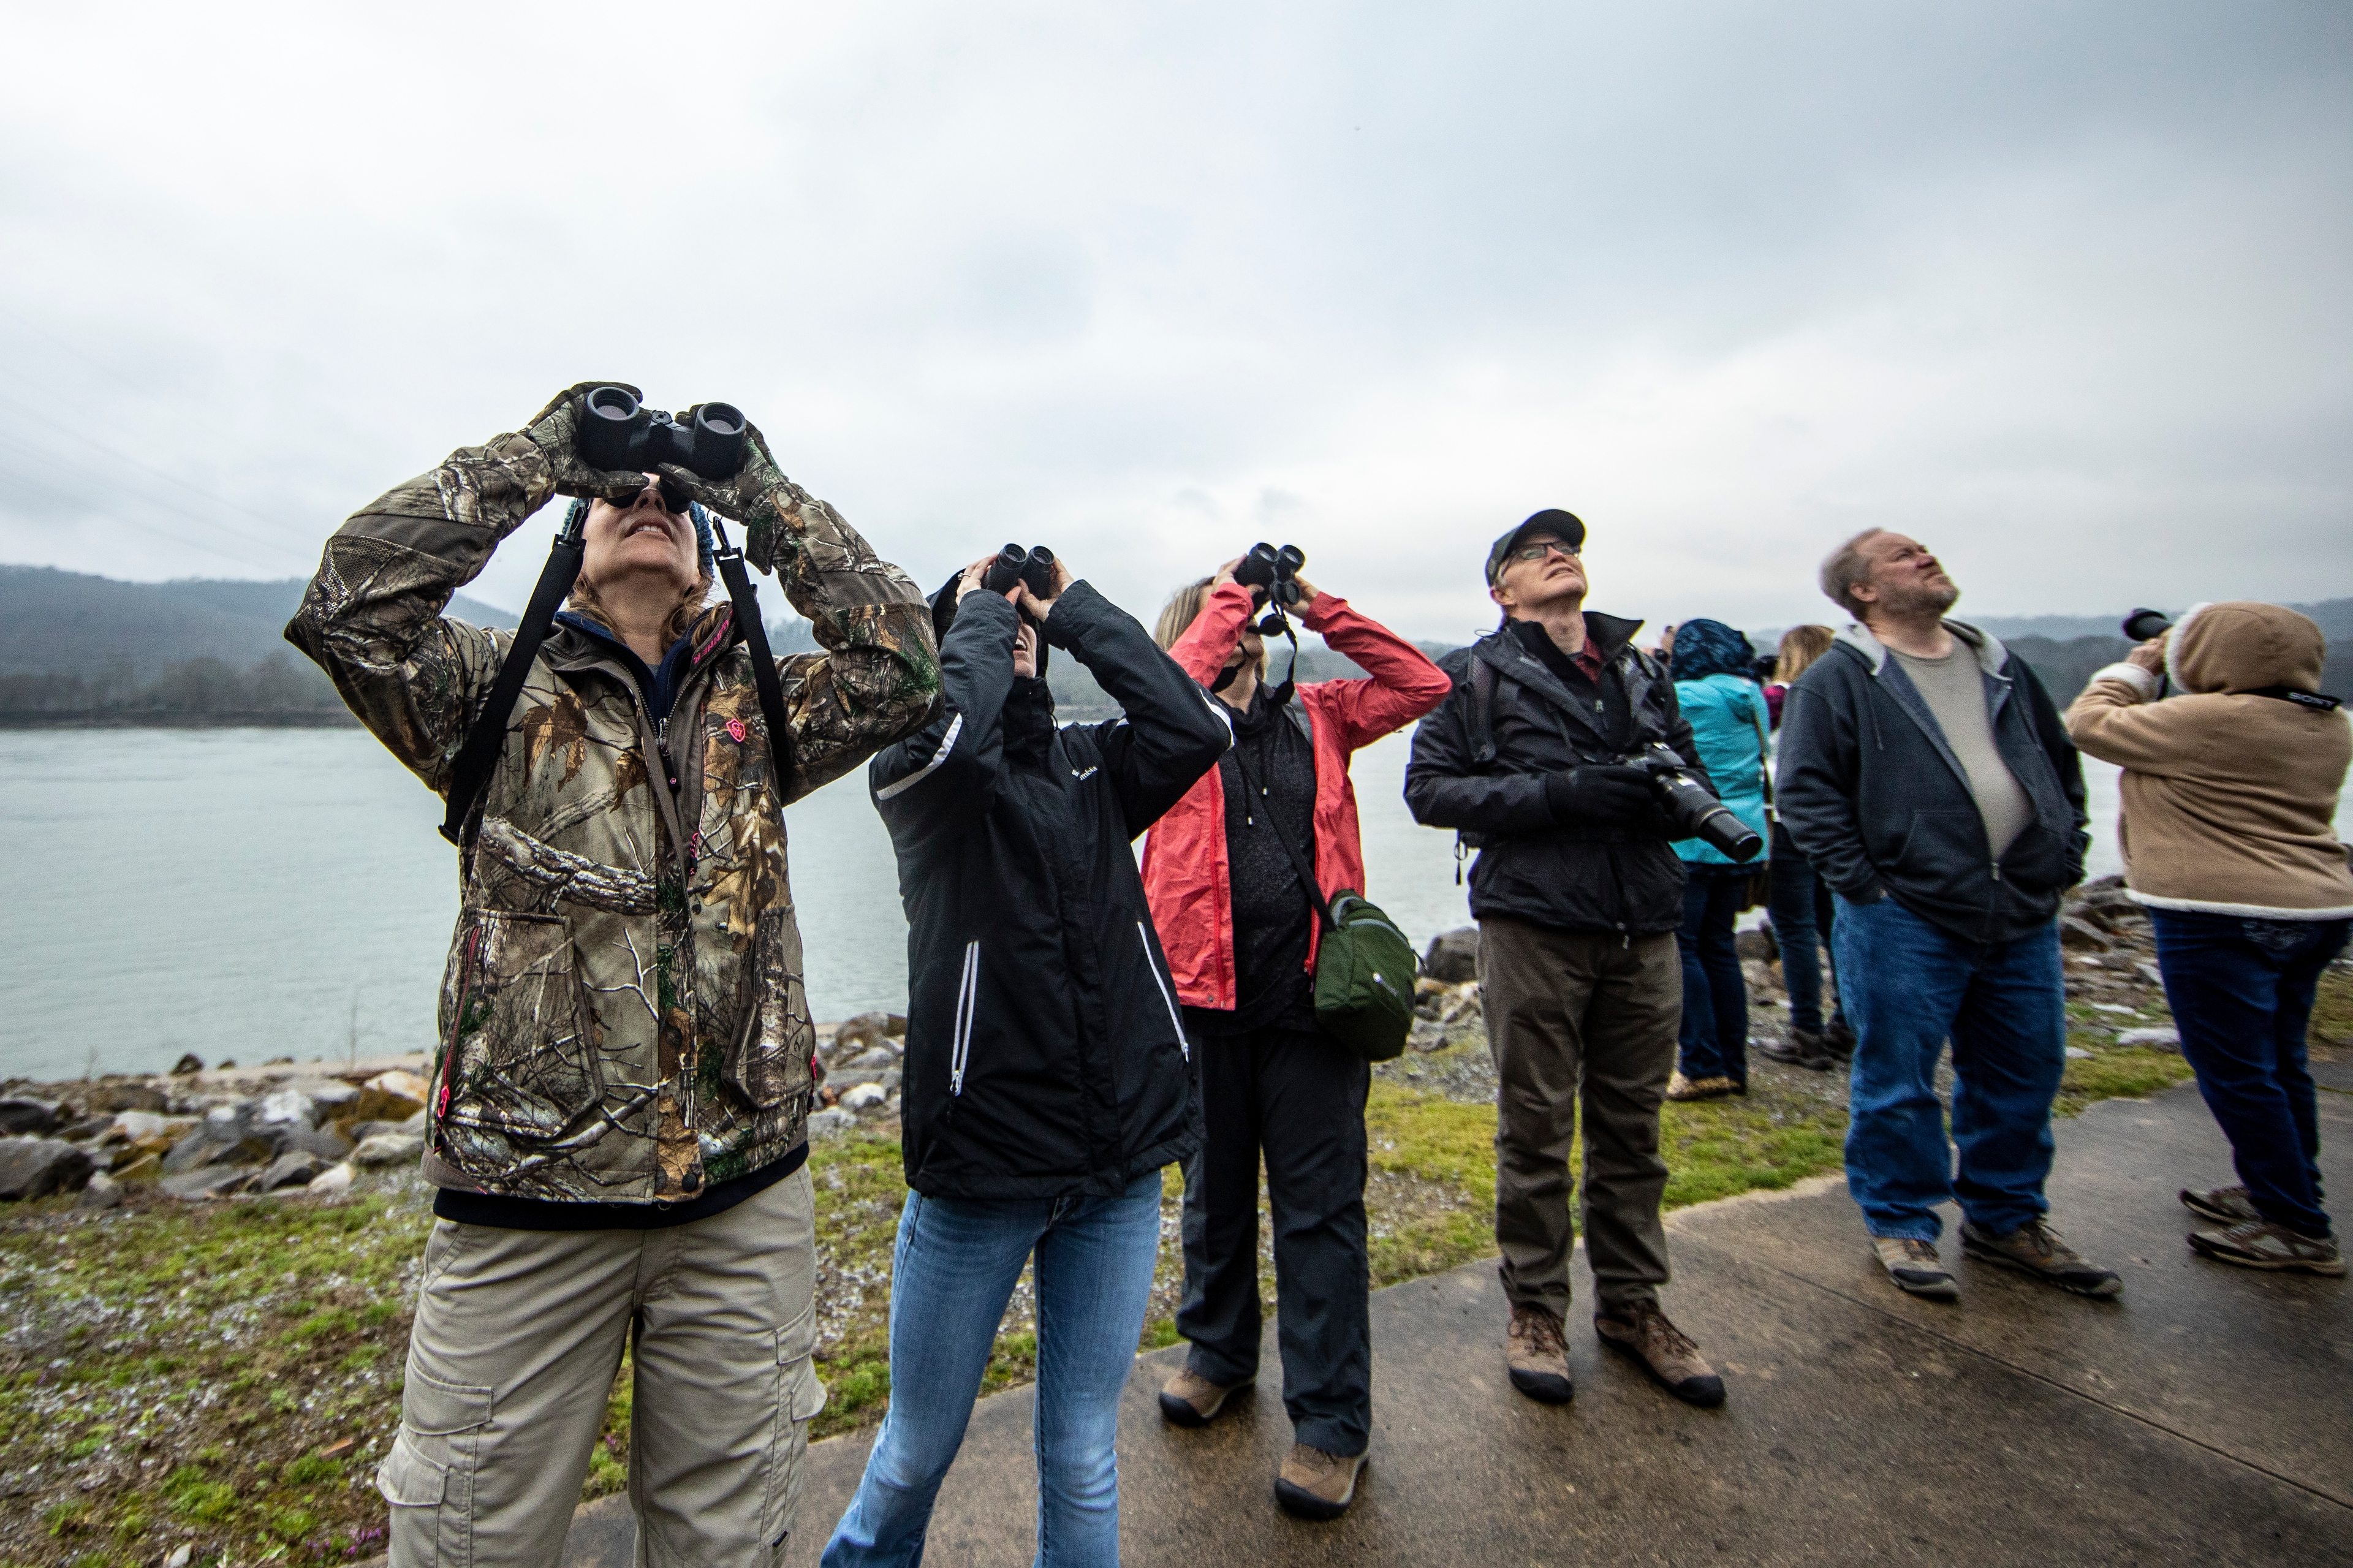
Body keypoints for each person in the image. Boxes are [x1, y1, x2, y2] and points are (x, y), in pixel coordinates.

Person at [286, 384, 940, 1566]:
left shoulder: (763, 707)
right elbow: (349, 605)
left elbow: (904, 664)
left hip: (743, 1199)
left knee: (728, 1545)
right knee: (466, 1544)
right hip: (525, 1205)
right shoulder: (487, 692)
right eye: (621, 496)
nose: (650, 501)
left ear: (707, 557)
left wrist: (754, 487)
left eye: (673, 503)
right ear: (573, 545)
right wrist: (549, 453)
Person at [827, 550, 1230, 1566]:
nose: (1011, 621)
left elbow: (1195, 724)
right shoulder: (922, 779)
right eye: (987, 619)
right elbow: (959, 742)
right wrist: (964, 614)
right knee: (918, 1447)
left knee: (1086, 1451)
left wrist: (1069, 606)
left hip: (1117, 1168)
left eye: (1021, 619)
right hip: (983, 1174)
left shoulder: (1091, 765)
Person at [1139, 561, 1449, 1518]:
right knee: (1215, 1197)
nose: (1237, 639)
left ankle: (1330, 1422)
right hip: (1204, 1003)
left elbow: (1423, 684)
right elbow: (1173, 684)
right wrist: (1226, 598)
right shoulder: (1162, 729)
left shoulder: (1320, 711)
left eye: (1247, 624)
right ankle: (1220, 1354)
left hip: (1316, 1010)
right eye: (1218, 626)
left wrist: (1319, 606)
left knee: (1321, 1213)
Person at [1404, 509, 1727, 1412]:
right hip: (1535, 922)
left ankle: (1633, 1305)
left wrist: (1664, 797)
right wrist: (1559, 792)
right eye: (1533, 551)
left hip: (1644, 920)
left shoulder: (1640, 667)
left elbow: (1691, 777)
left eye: (1568, 545)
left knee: (1634, 1130)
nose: (1559, 554)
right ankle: (1537, 1309)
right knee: (1536, 1127)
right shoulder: (1470, 676)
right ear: (1500, 589)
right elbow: (1428, 788)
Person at [1778, 529, 2120, 1303]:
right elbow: (1805, 794)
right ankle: (1901, 1219)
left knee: (2023, 1069)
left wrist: (2064, 856)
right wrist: (1867, 887)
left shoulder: (1999, 666)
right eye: (1903, 555)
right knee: (1897, 1079)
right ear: (1862, 590)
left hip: (2021, 906)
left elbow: (2059, 766)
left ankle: (2008, 1219)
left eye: (1925, 550)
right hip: (1904, 914)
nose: (1925, 558)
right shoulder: (1840, 678)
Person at [2065, 604, 2351, 1276]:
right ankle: (2282, 1190)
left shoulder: (2210, 719)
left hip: (2219, 912)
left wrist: (2136, 669)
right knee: (2281, 1062)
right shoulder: (2328, 720)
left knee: (2237, 1073)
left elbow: (2088, 723)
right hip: (2317, 907)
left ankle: (2296, 1226)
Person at [1659, 618, 1773, 1102]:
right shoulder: (1750, 696)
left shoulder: (1688, 696)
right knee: (1720, 947)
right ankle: (1733, 1063)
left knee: (1683, 949)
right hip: (1744, 833)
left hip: (1694, 835)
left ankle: (1702, 1064)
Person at [1754, 626, 1852, 1070]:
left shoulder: (1778, 699)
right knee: (1835, 924)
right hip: (1838, 822)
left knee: (1793, 926)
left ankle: (1806, 1030)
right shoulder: (1844, 699)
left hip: (1788, 819)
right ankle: (1849, 1021)